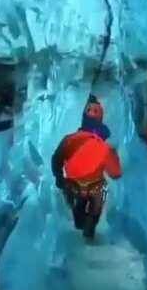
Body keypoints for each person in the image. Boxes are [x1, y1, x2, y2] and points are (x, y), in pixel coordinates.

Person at [51, 95, 122, 239]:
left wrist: (59, 178)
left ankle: (79, 220)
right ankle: (89, 229)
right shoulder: (105, 147)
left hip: (73, 185)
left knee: (78, 201)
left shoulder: (69, 139)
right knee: (98, 198)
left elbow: (56, 159)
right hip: (96, 187)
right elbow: (115, 173)